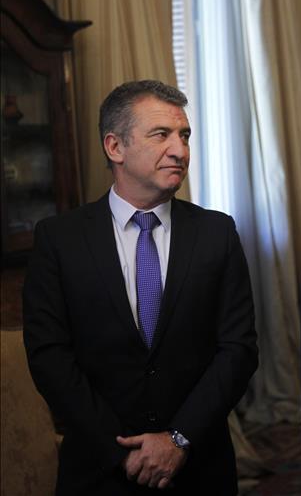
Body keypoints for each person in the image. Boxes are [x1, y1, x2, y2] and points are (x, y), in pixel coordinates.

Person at [23, 80, 258, 495]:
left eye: (185, 136)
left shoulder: (216, 233)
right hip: (100, 471)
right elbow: (50, 357)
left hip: (200, 466)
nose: (180, 150)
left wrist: (178, 439)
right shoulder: (59, 239)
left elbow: (238, 350)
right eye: (161, 135)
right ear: (115, 147)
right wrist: (121, 453)